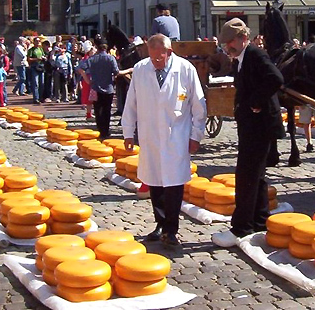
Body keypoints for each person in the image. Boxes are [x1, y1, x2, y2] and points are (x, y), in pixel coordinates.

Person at [121, 34, 207, 246]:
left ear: (169, 52)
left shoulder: (185, 69)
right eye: (152, 58)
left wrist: (196, 135)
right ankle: (160, 223)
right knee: (154, 180)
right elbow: (131, 102)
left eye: (159, 59)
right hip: (150, 134)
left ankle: (171, 228)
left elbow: (198, 105)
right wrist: (128, 132)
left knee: (174, 183)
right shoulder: (141, 69)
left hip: (177, 134)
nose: (155, 62)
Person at [211, 18, 285, 247]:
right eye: (224, 44)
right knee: (257, 176)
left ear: (243, 38)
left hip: (259, 125)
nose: (226, 48)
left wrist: (256, 101)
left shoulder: (255, 55)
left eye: (230, 43)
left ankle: (240, 228)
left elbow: (276, 78)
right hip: (251, 125)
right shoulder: (241, 58)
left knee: (246, 176)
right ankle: (260, 221)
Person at [77, 38, 119, 138]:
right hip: (108, 88)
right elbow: (116, 72)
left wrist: (87, 80)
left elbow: (80, 69)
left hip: (95, 88)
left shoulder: (92, 59)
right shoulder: (110, 58)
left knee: (98, 110)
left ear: (96, 47)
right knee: (107, 111)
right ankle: (106, 131)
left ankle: (100, 129)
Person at [27, 37, 46, 104]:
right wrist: (36, 59)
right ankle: (36, 98)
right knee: (35, 83)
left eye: (39, 41)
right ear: (34, 42)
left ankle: (41, 97)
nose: (38, 42)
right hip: (34, 67)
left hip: (41, 67)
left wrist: (44, 58)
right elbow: (29, 59)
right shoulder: (31, 50)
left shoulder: (40, 49)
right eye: (36, 41)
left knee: (42, 83)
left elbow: (44, 55)